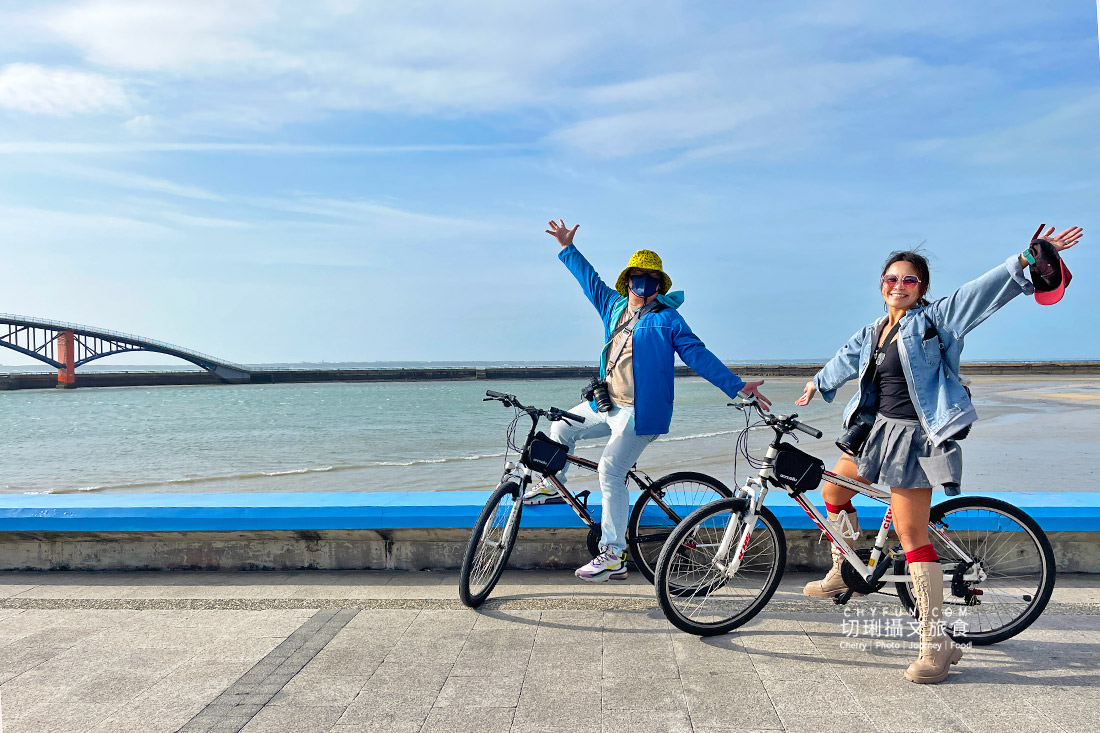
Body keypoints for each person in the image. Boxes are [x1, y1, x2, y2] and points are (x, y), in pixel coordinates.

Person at [795, 223, 1084, 684]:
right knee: (832, 492)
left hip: (915, 436)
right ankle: (843, 569)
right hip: (872, 433)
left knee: (912, 537)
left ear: (922, 288)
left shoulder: (935, 321)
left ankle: (937, 644)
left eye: (909, 280)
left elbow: (981, 292)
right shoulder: (874, 330)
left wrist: (1027, 260)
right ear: (881, 285)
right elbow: (846, 358)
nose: (899, 286)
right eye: (892, 279)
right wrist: (817, 383)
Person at [526, 219, 771, 583]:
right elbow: (588, 279)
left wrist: (737, 386)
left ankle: (614, 555)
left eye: (651, 279)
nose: (643, 284)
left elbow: (697, 355)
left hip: (639, 415)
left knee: (610, 471)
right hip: (607, 404)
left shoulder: (668, 319)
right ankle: (553, 484)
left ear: (659, 285)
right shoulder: (613, 306)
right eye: (638, 277)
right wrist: (567, 247)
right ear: (627, 281)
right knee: (561, 426)